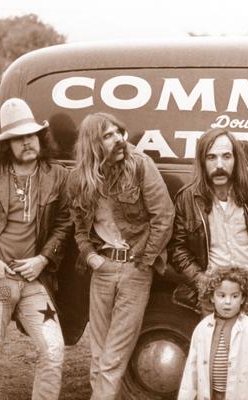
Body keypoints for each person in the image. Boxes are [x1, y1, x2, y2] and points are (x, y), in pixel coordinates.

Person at [0, 98, 72, 399]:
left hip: (33, 282)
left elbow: (65, 223)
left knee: (53, 349)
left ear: (39, 137)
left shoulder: (57, 175)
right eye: (17, 138)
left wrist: (43, 258)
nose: (26, 142)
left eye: (30, 135)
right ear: (6, 145)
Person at [68, 112, 174, 399]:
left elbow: (163, 217)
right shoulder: (79, 178)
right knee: (97, 353)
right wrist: (90, 256)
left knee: (114, 355)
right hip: (102, 268)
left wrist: (144, 262)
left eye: (119, 132)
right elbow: (79, 226)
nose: (119, 140)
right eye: (108, 135)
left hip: (135, 268)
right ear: (93, 144)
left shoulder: (140, 165)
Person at [168, 128, 248, 340]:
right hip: (211, 291)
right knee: (215, 359)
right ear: (202, 161)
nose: (219, 165)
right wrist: (200, 281)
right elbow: (177, 247)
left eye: (226, 156)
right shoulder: (187, 198)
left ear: (236, 159)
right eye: (211, 157)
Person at [178, 267, 248, 400]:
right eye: (221, 295)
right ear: (212, 297)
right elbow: (191, 371)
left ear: (243, 298)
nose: (228, 302)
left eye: (235, 296)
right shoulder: (202, 328)